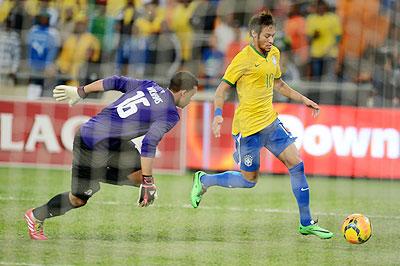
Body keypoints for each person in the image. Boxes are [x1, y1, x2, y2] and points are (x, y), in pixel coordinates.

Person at [190, 11, 333, 239]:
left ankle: (306, 222)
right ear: (253, 34)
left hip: (270, 123)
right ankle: (204, 180)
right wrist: (218, 114)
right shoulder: (242, 59)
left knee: (296, 164)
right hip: (248, 129)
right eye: (266, 36)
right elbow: (221, 91)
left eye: (273, 36)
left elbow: (280, 84)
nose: (270, 40)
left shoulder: (274, 54)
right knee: (249, 181)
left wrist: (304, 99)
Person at [24, 71, 198, 240]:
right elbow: (149, 143)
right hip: (90, 143)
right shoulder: (170, 114)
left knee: (139, 177)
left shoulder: (149, 85)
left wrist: (82, 91)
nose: (190, 100)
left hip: (115, 142)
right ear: (183, 92)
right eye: (191, 95)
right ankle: (35, 216)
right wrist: (148, 181)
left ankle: (97, 175)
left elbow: (116, 81)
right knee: (78, 199)